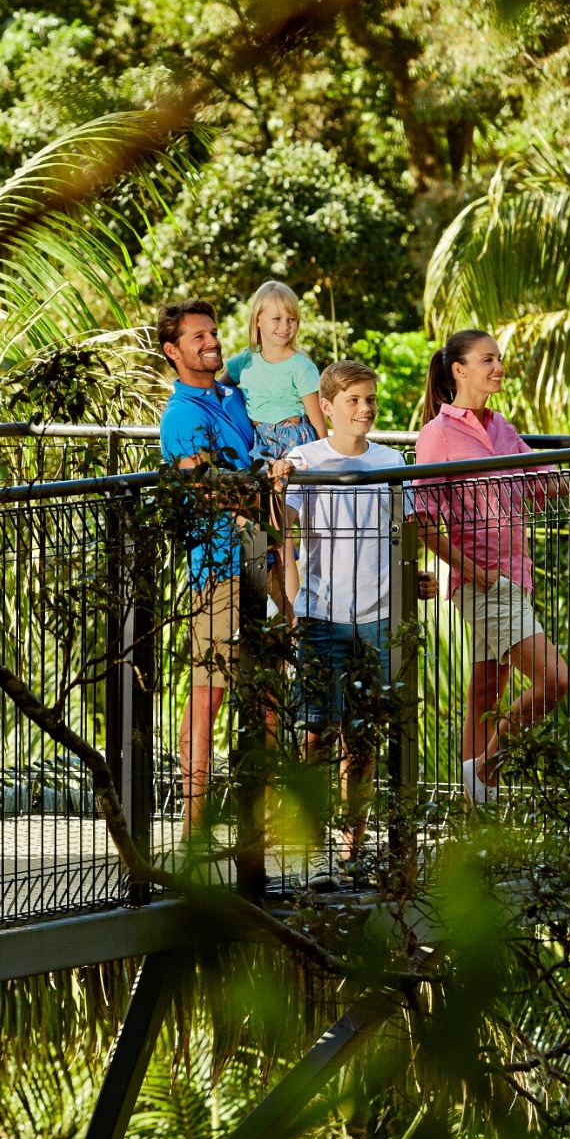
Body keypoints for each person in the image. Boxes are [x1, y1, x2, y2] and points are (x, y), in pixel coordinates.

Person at [410, 329, 570, 804]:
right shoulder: (437, 436)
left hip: (514, 575)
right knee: (555, 680)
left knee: (484, 696)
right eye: (487, 360)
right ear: (459, 371)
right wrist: (472, 572)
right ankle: (487, 772)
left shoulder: (502, 427)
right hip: (482, 583)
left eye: (498, 359)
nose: (498, 367)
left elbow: (543, 484)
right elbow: (421, 519)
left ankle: (473, 811)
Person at [282, 359, 424, 862]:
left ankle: (351, 842)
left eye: (370, 399)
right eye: (353, 400)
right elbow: (282, 526)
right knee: (317, 730)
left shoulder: (391, 462)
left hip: (381, 616)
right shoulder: (306, 458)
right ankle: (309, 834)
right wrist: (276, 483)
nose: (364, 409)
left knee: (364, 736)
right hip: (323, 610)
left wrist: (416, 579)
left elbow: (407, 534)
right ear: (326, 407)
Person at [156, 298, 284, 838]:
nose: (211, 343)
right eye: (197, 337)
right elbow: (207, 488)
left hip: (269, 558)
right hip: (220, 568)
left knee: (273, 687)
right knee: (210, 691)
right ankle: (195, 824)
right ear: (173, 350)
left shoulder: (234, 396)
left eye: (212, 333)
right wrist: (266, 484)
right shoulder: (181, 414)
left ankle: (272, 819)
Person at [223, 280, 327, 461]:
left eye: (291, 319)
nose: (285, 326)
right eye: (277, 318)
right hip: (257, 441)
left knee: (292, 489)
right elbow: (212, 388)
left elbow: (318, 422)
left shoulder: (301, 366)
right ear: (258, 320)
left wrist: (327, 461)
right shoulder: (244, 361)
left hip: (294, 441)